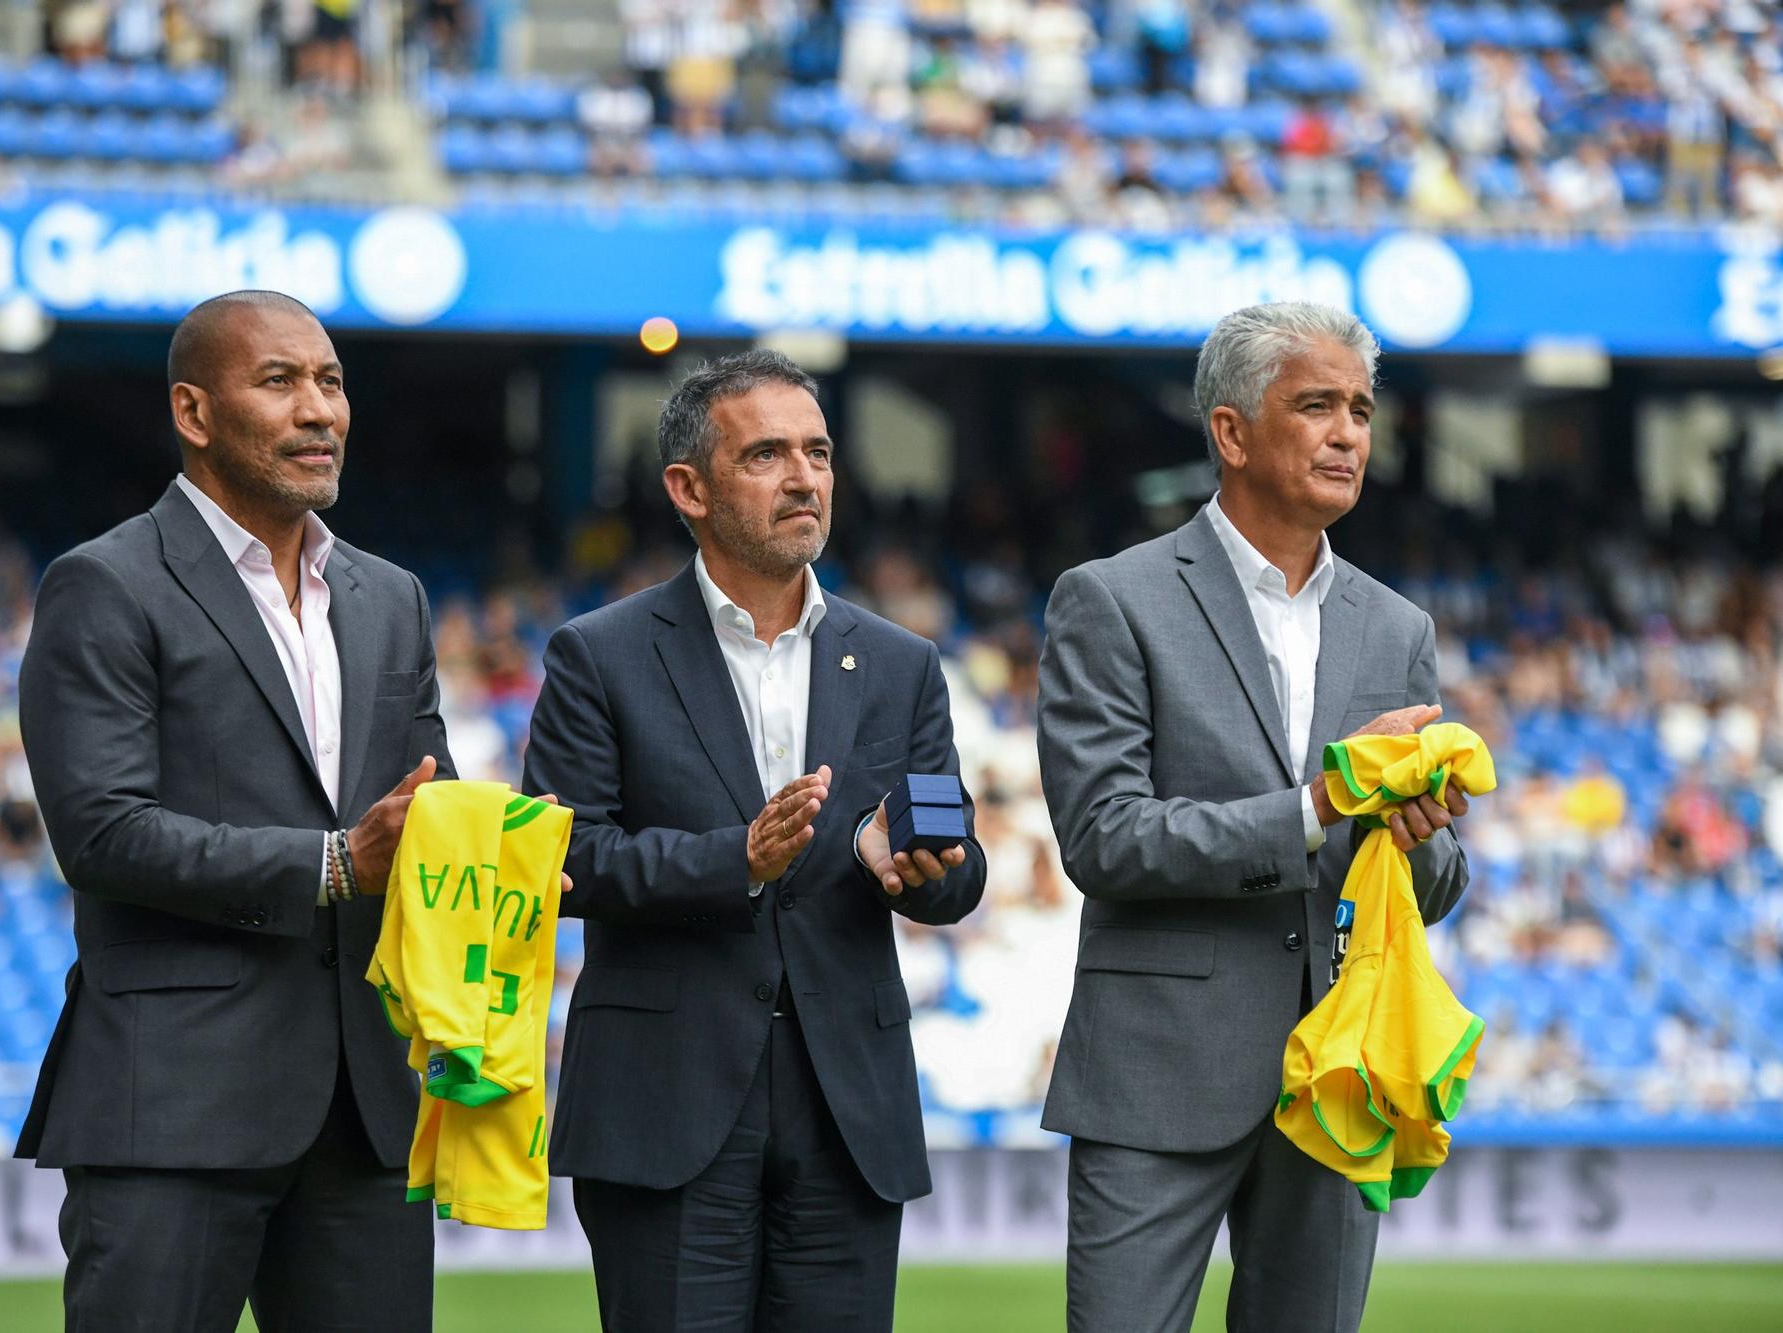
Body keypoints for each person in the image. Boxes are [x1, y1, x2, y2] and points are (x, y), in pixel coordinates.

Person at [16, 290, 455, 1331]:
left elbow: (417, 814)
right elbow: (103, 834)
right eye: (279, 381)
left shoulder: (391, 596)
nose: (319, 410)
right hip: (173, 1104)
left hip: (367, 1112)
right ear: (194, 412)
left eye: (332, 381)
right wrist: (335, 863)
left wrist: (501, 858)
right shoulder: (106, 583)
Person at [523, 349, 988, 1331]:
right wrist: (733, 857)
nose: (803, 476)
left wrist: (915, 869)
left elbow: (955, 866)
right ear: (688, 488)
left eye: (817, 452)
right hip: (665, 1102)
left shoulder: (902, 663)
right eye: (766, 453)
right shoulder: (596, 655)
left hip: (846, 1112)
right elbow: (564, 863)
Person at [1036, 301, 1478, 1332]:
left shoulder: (1396, 626)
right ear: (1229, 432)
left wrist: (1422, 834)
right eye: (1314, 404)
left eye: (1360, 410)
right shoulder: (1110, 599)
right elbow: (1104, 837)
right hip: (1157, 1070)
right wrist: (1320, 804)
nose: (1346, 433)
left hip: (1339, 1073)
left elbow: (1430, 883)